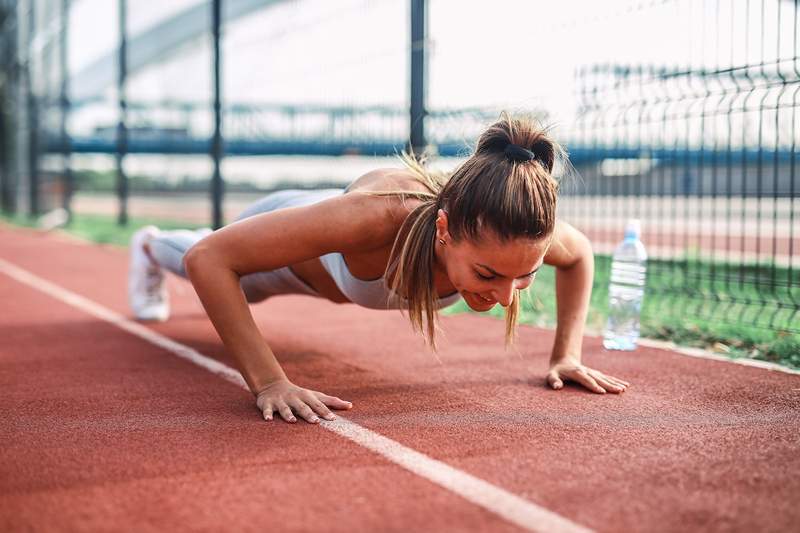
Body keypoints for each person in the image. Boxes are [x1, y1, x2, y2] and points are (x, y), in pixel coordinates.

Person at [127, 112, 630, 425]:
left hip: (326, 260)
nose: (504, 297)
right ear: (444, 230)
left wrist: (565, 355)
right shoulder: (375, 216)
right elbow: (209, 259)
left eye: (523, 276)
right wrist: (269, 383)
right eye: (487, 275)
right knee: (197, 258)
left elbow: (580, 254)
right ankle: (149, 246)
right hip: (288, 231)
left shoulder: (511, 231)